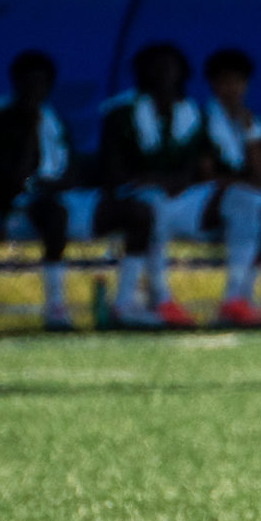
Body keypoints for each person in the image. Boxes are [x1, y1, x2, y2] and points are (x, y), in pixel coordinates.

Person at [173, 46, 261, 329]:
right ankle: (234, 297)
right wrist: (242, 181)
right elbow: (208, 176)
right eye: (225, 81)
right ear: (213, 85)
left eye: (239, 81)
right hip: (200, 204)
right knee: (244, 201)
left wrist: (249, 133)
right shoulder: (200, 119)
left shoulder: (251, 122)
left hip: (241, 198)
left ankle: (253, 297)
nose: (232, 89)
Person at [95, 42, 206, 329]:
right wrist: (156, 182)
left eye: (171, 68)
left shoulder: (192, 113)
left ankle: (239, 298)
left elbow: (197, 169)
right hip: (134, 197)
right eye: (155, 68)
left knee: (243, 203)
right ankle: (155, 297)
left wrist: (171, 181)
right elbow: (114, 172)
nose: (163, 75)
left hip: (185, 198)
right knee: (149, 207)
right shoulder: (120, 113)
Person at [0, 48, 89, 331]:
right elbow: (12, 179)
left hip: (63, 197)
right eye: (28, 83)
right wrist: (29, 128)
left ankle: (131, 301)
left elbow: (72, 167)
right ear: (16, 83)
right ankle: (56, 306)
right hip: (16, 209)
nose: (34, 90)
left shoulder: (54, 119)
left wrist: (58, 184)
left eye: (41, 84)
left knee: (134, 210)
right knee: (54, 215)